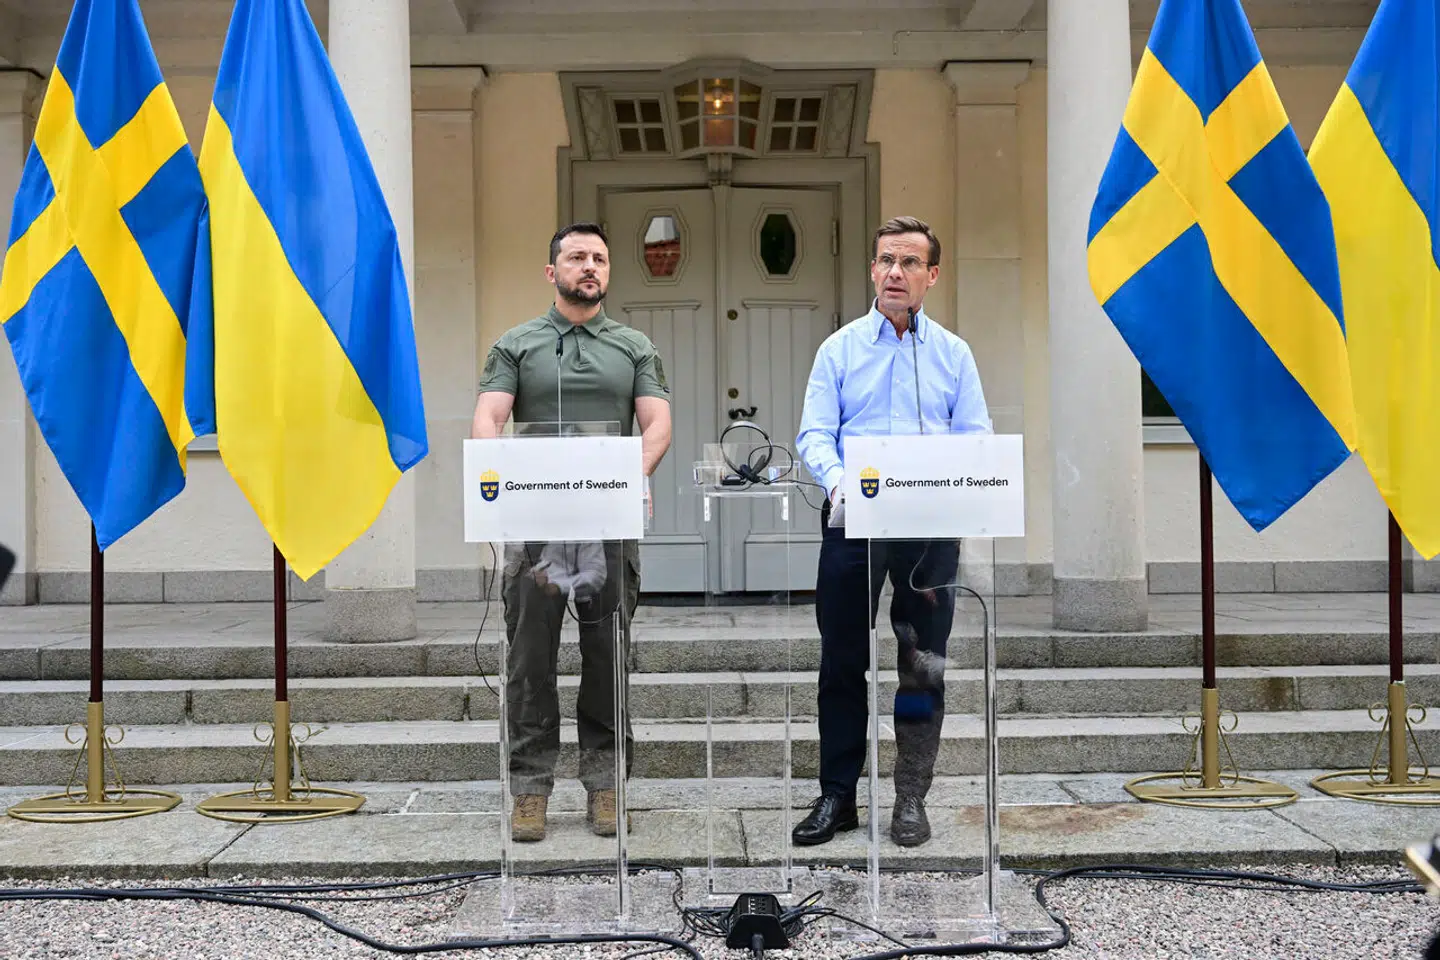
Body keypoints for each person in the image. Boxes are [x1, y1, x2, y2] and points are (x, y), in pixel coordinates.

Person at [471, 222, 672, 842]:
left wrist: (622, 479)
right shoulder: (518, 343)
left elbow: (657, 424)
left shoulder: (634, 346)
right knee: (530, 661)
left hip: (606, 529)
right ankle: (529, 790)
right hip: (536, 530)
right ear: (551, 271)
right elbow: (489, 416)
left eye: (600, 258)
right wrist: (496, 473)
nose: (590, 266)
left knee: (607, 657)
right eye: (577, 257)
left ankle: (607, 786)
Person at [794, 215, 991, 847]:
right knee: (841, 663)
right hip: (853, 525)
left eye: (909, 263)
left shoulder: (954, 354)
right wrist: (836, 479)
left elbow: (975, 438)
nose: (895, 273)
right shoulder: (841, 348)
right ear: (871, 270)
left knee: (921, 664)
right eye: (885, 261)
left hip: (928, 533)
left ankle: (911, 797)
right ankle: (837, 797)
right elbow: (815, 433)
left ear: (932, 275)